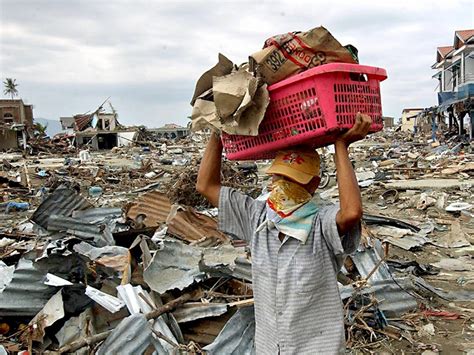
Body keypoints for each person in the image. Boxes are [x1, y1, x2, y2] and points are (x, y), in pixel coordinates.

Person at [196, 113, 372, 354]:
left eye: (292, 180)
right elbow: (206, 186)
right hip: (270, 346)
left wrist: (340, 146)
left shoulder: (321, 224)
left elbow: (351, 212)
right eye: (279, 177)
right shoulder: (257, 217)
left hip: (316, 348)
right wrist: (217, 130)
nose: (282, 186)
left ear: (313, 184)